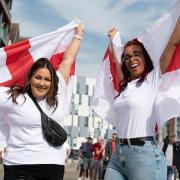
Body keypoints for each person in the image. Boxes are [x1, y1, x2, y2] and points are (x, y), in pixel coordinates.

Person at [0, 22, 84, 180]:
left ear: (53, 82)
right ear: (30, 78)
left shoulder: (58, 94)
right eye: (38, 77)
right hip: (20, 167)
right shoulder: (13, 97)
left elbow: (68, 59)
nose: (42, 83)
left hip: (53, 168)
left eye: (47, 79)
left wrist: (78, 35)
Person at [102, 17, 180, 180]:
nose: (132, 59)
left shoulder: (152, 80)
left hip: (145, 156)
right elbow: (117, 60)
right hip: (119, 155)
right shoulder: (124, 87)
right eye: (128, 56)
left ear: (145, 58)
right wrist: (114, 39)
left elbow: (173, 43)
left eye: (137, 54)